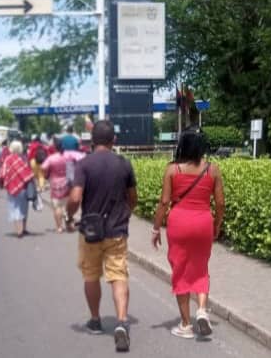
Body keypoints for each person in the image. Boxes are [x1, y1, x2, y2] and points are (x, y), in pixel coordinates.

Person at [66, 120, 137, 353]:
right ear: (113, 140)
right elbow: (132, 198)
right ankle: (122, 321)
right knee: (118, 275)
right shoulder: (124, 164)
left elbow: (75, 198)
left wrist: (69, 216)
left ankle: (95, 320)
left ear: (92, 140)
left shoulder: (84, 165)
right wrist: (126, 213)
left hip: (91, 232)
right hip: (117, 230)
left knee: (91, 275)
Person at [151, 129, 225, 339]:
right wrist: (217, 225)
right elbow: (220, 203)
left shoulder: (173, 170)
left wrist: (156, 228)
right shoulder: (213, 170)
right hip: (203, 223)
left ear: (182, 145)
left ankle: (186, 325)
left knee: (180, 269)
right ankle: (201, 310)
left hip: (179, 223)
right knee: (201, 268)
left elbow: (164, 202)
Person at [41, 138, 85, 233]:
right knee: (67, 207)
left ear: (55, 147)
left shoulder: (51, 158)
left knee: (57, 206)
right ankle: (69, 225)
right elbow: (81, 158)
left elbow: (43, 167)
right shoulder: (69, 155)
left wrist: (46, 175)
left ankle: (59, 227)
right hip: (68, 182)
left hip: (55, 183)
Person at [0, 140, 33, 238]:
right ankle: (23, 228)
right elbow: (29, 172)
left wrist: (1, 183)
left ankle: (18, 231)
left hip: (11, 187)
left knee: (14, 208)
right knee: (24, 208)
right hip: (24, 186)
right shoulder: (24, 158)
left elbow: (3, 173)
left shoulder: (8, 159)